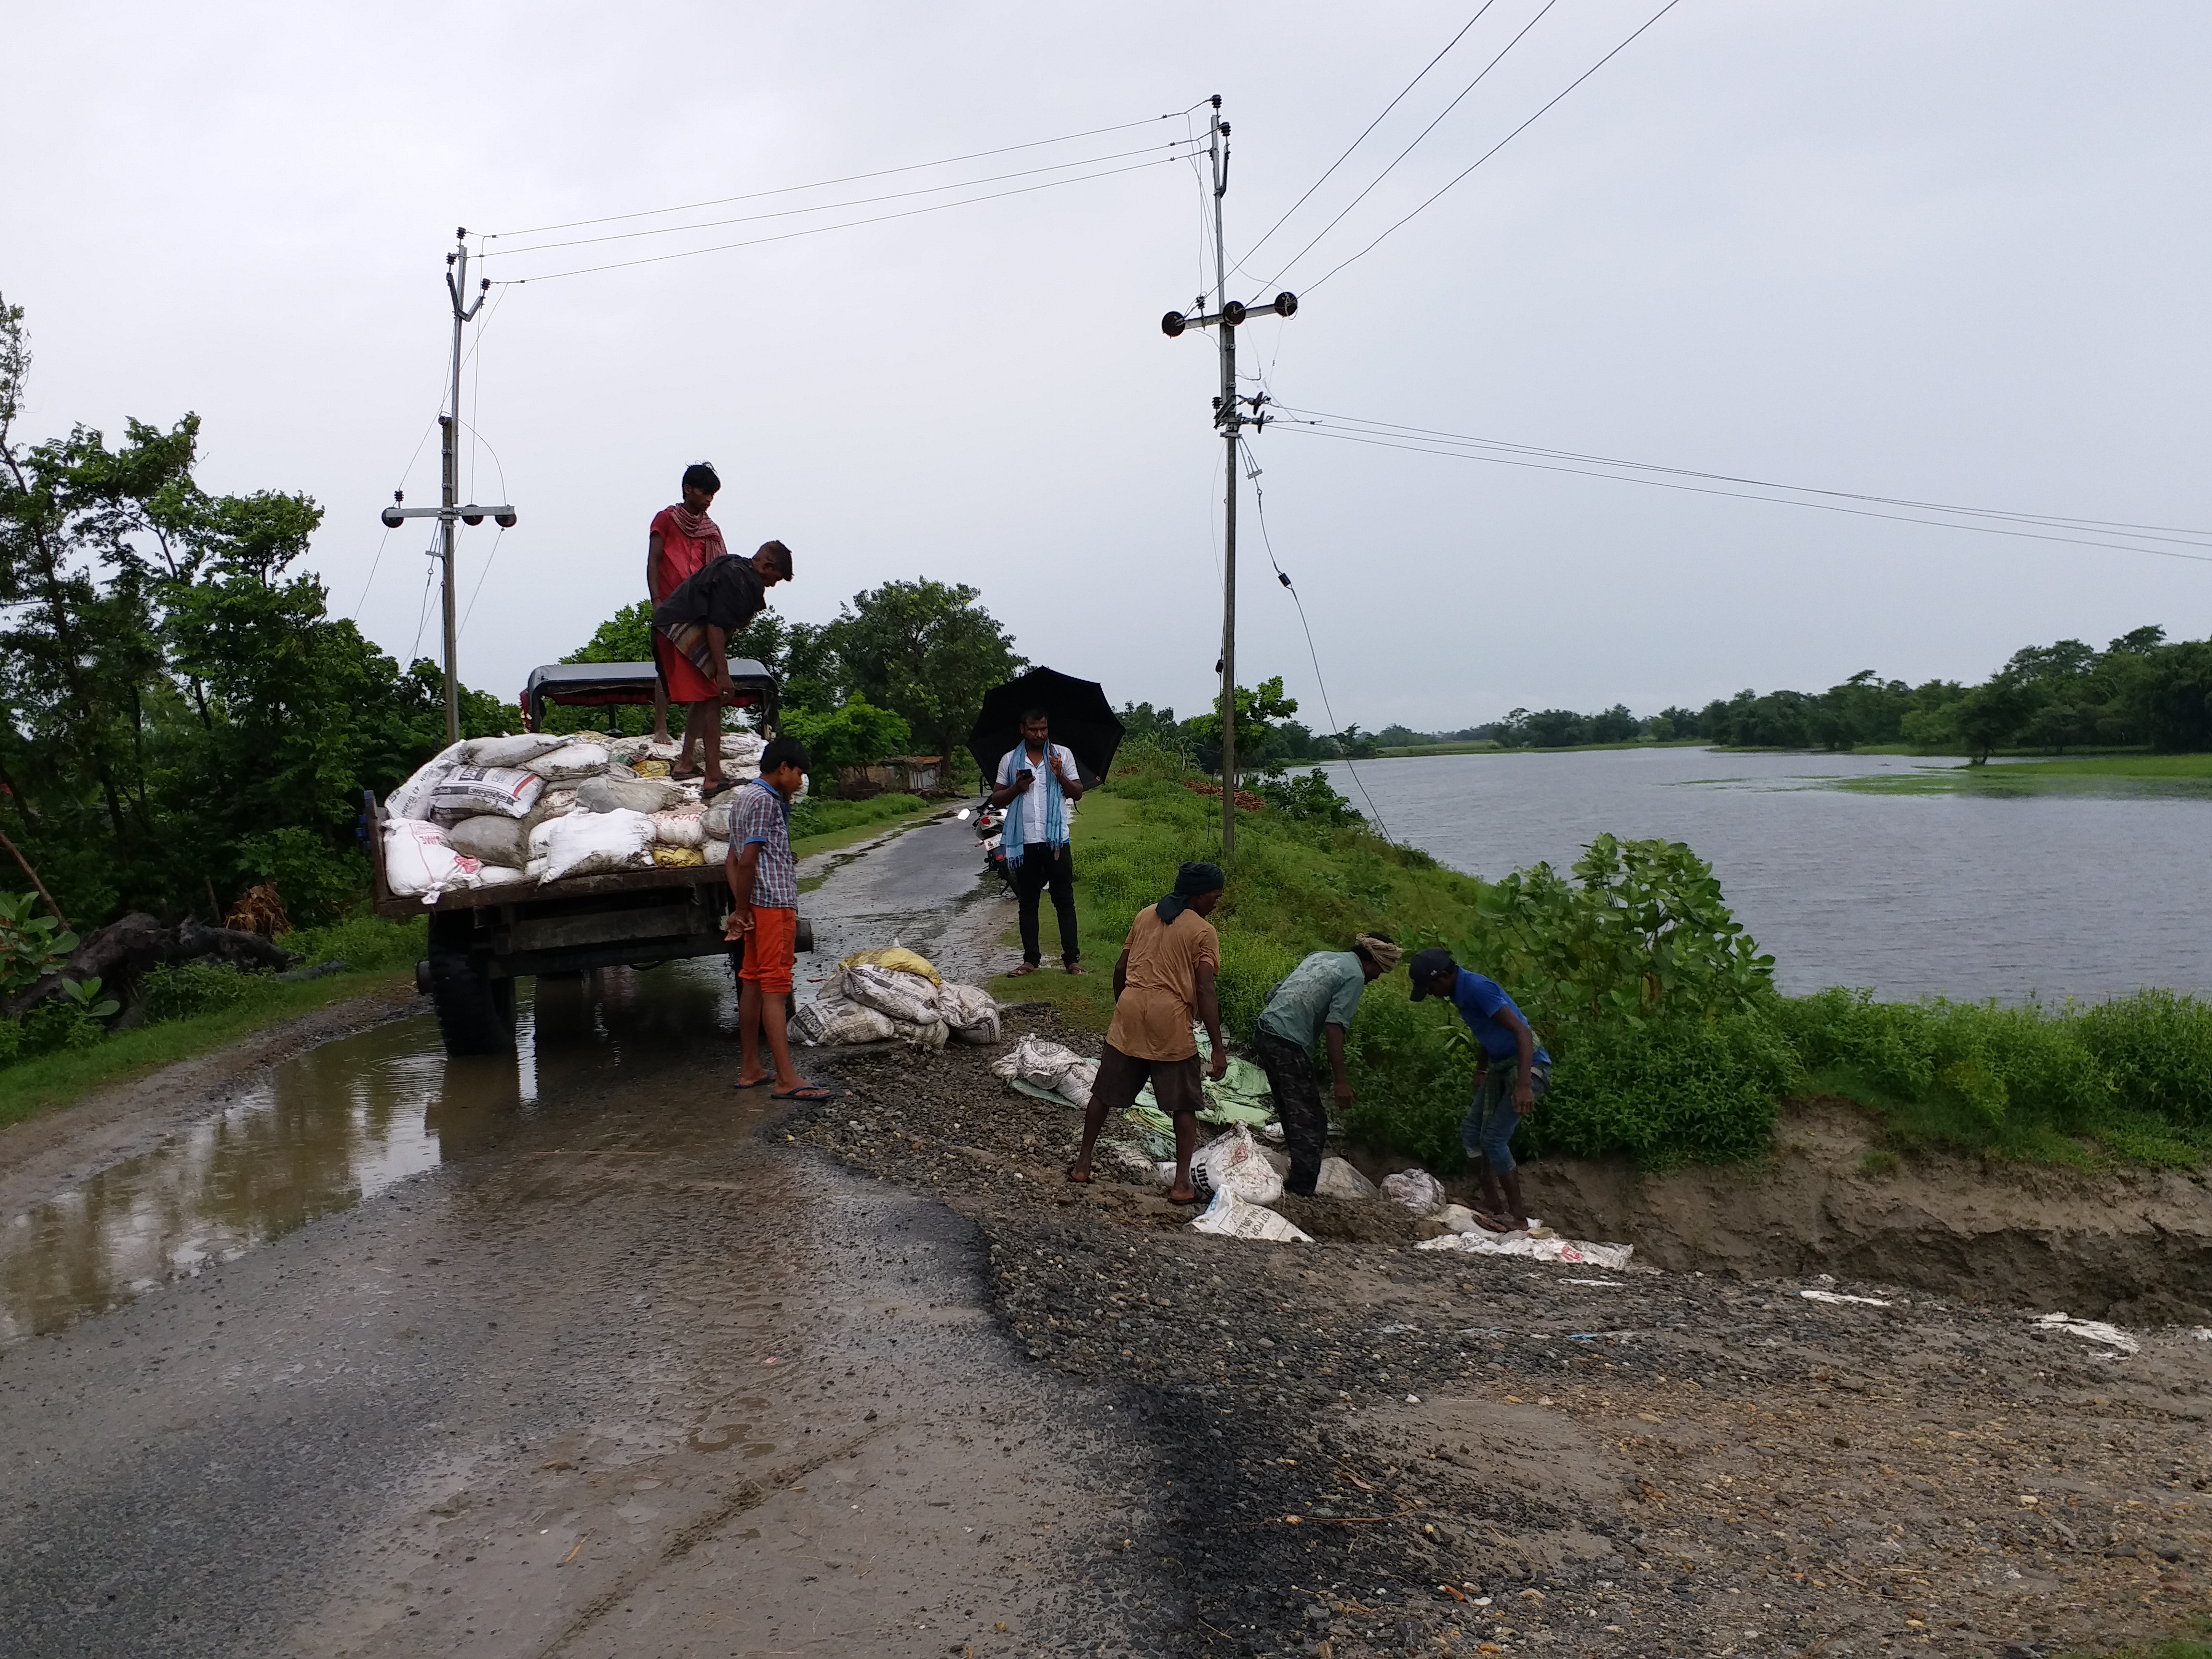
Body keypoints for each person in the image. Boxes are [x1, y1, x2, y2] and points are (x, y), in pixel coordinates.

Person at [1067, 863, 1227, 1204]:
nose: (1217, 903)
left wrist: (1122, 1006)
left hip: (1130, 1007)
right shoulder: (1203, 931)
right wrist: (1217, 1047)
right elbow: (1204, 987)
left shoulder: (1145, 915)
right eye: (1215, 896)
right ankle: (1182, 1184)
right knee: (1183, 1104)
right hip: (1168, 1019)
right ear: (1199, 896)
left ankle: (1083, 1164)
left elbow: (1122, 968)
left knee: (1104, 1094)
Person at [1408, 945, 1551, 1228]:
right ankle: (1493, 1204)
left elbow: (1521, 1031)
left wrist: (1524, 1085)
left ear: (1444, 977)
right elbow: (1487, 1033)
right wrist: (1482, 1069)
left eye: (1431, 988)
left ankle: (1518, 1218)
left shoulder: (1477, 988)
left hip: (1528, 1068)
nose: (1433, 995)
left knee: (1495, 1140)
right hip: (1500, 1067)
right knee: (1471, 1131)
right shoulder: (1460, 994)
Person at [1250, 933, 1403, 1196]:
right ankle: (1301, 1191)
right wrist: (1340, 1080)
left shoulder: (1320, 957)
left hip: (1265, 1030)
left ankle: (1296, 1177)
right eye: (1381, 970)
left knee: (1293, 1110)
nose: (1378, 977)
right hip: (1287, 1042)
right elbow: (1335, 1027)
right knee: (1313, 1121)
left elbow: (1273, 994)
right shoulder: (1355, 976)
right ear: (1374, 961)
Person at [724, 735, 833, 1099]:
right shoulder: (764, 801)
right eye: (799, 774)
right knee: (776, 987)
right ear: (783, 768)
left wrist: (742, 907)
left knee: (753, 983)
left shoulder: (744, 799)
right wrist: (742, 909)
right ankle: (788, 1079)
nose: (800, 782)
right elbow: (749, 860)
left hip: (756, 905)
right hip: (772, 905)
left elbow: (732, 860)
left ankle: (751, 1068)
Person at [652, 539, 793, 789]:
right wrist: (723, 673)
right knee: (714, 696)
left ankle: (686, 763)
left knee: (705, 696)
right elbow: (715, 625)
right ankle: (713, 778)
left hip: (673, 627)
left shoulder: (738, 572)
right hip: (678, 629)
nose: (773, 584)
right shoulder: (736, 577)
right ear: (767, 566)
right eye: (776, 577)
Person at [988, 709, 1084, 975]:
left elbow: (1078, 793)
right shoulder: (1010, 760)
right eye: (1033, 729)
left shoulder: (1062, 756)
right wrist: (1017, 788)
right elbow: (996, 799)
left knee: (1064, 901)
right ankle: (1031, 959)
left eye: (1043, 729)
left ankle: (1072, 960)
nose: (1039, 734)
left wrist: (1059, 774)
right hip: (1025, 842)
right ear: (1023, 729)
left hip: (1056, 842)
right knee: (1028, 902)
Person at [647, 463, 729, 745]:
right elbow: (654, 561)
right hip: (671, 606)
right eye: (705, 492)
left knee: (703, 672)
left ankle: (691, 739)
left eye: (712, 495)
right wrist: (657, 601)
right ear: (688, 490)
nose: (708, 499)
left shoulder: (712, 530)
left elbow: (720, 571)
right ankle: (661, 728)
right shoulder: (666, 520)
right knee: (666, 669)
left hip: (701, 609)